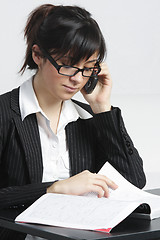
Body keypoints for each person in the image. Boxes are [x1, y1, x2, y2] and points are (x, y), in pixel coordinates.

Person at [0, 4, 146, 240]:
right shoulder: (5, 114)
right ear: (38, 55)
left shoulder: (88, 118)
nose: (78, 79)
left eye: (88, 68)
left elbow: (134, 182)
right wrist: (53, 189)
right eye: (68, 65)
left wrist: (102, 109)